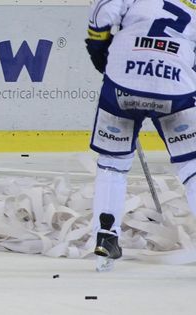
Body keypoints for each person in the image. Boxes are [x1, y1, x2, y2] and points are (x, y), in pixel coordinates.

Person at [85, 0, 196, 269]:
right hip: (175, 84)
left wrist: (101, 52)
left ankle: (106, 236)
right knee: (192, 165)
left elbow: (103, 13)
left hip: (124, 77)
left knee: (113, 162)